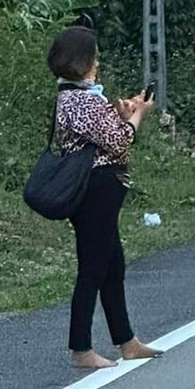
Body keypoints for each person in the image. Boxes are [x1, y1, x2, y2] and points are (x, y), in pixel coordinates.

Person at [47, 26, 160, 369]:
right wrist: (137, 117)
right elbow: (119, 141)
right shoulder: (78, 100)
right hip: (94, 188)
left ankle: (126, 340)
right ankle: (80, 349)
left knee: (113, 265)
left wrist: (123, 115)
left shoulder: (82, 96)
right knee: (93, 267)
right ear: (80, 61)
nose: (97, 62)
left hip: (104, 187)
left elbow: (109, 131)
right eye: (93, 56)